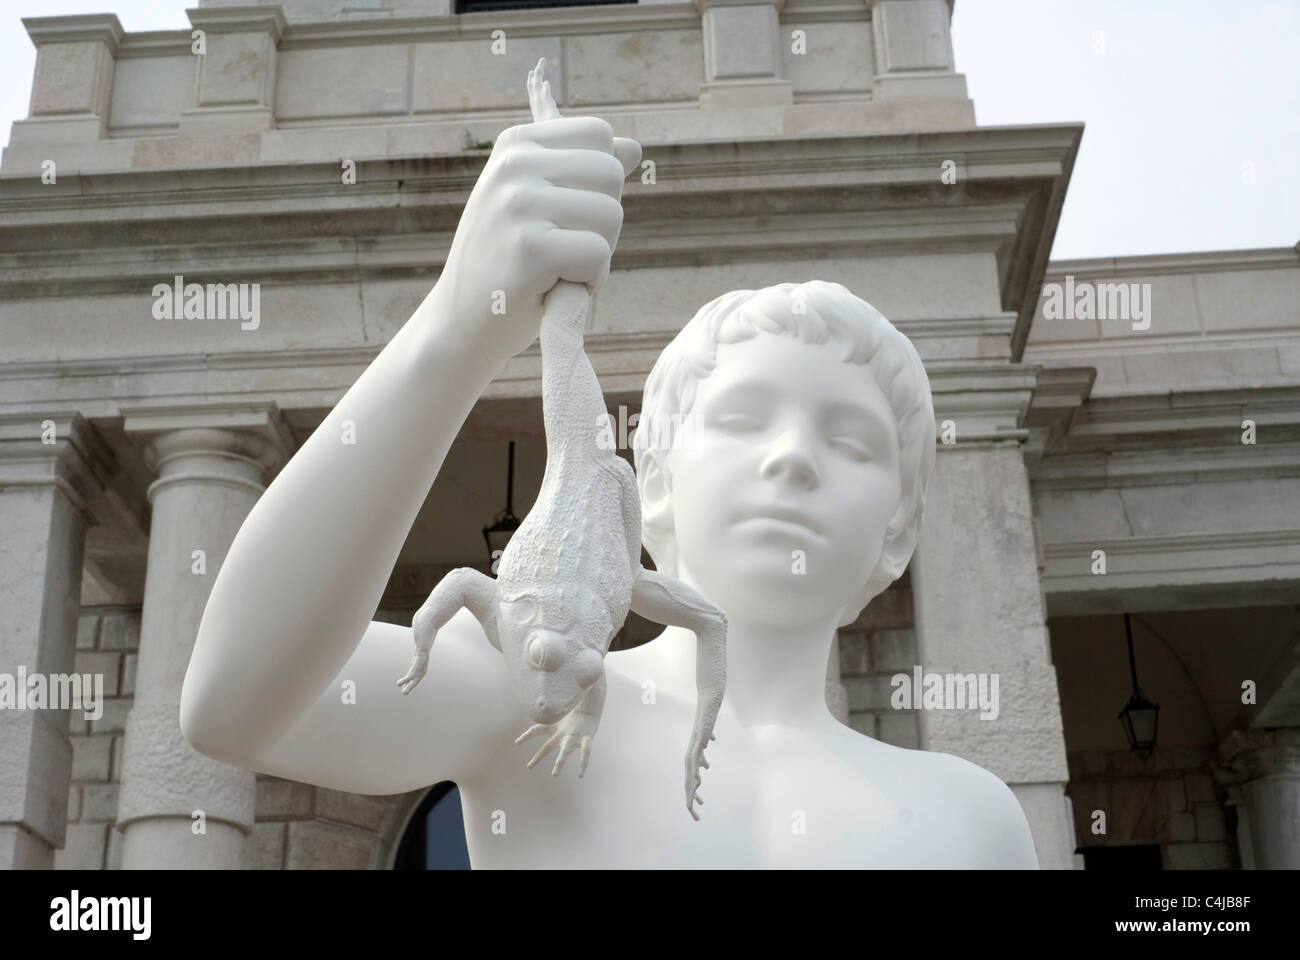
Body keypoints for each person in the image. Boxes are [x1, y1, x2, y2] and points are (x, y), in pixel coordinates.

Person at [180, 108, 1039, 868]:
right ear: (653, 483)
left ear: (897, 528)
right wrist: (457, 324)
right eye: (745, 421)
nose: (794, 459)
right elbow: (231, 706)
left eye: (850, 441)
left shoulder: (975, 821)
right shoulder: (522, 693)